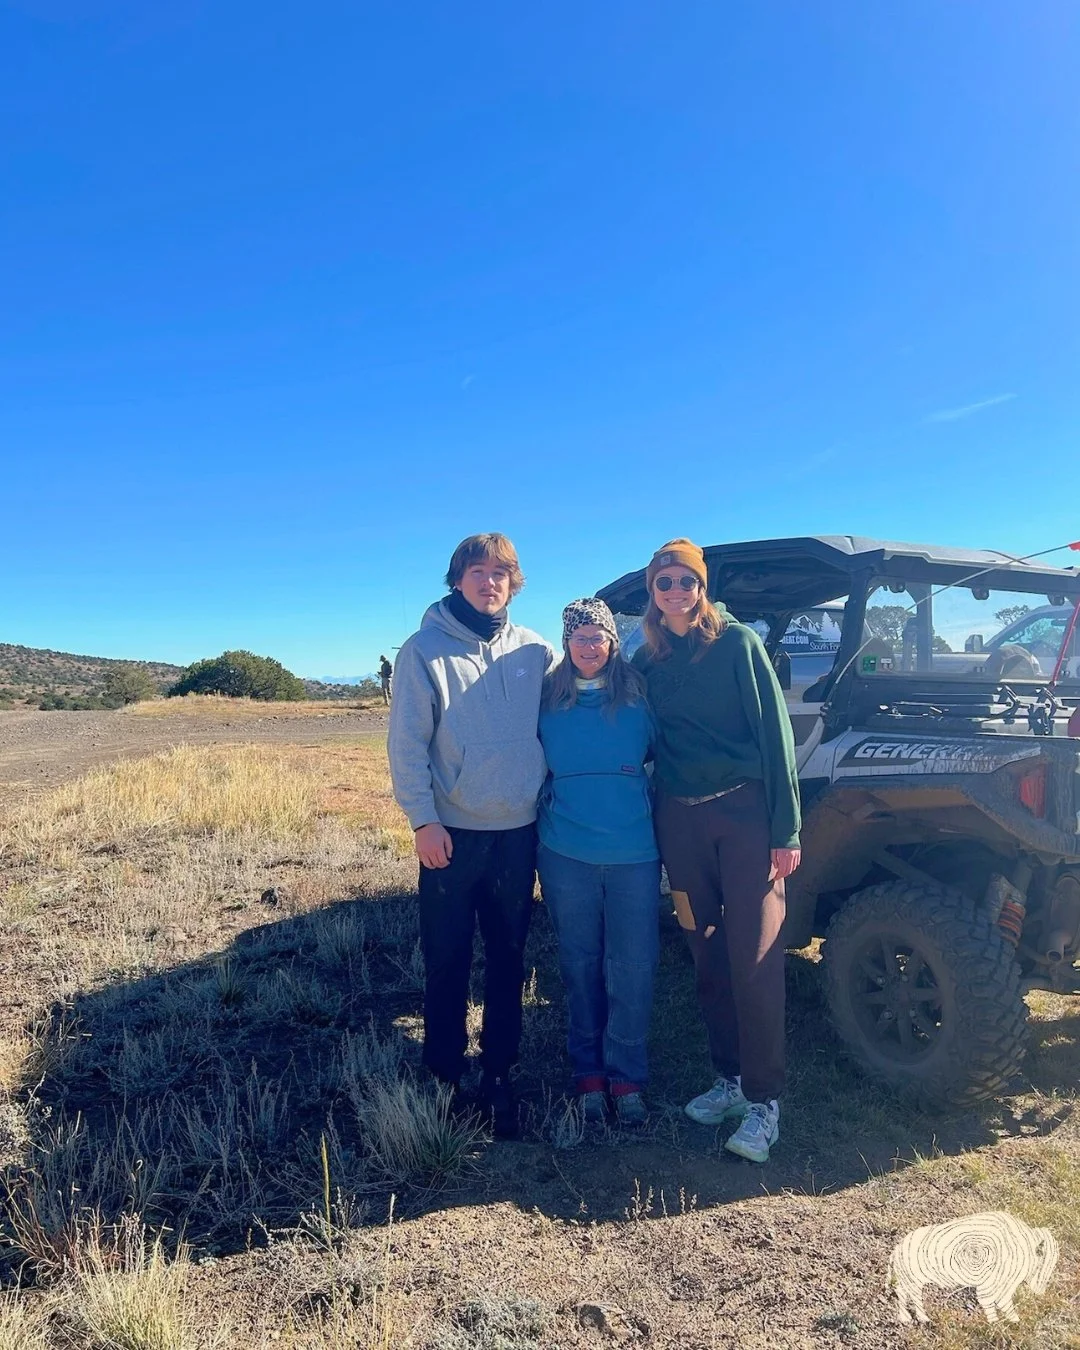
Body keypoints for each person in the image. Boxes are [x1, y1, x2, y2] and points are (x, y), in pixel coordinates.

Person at [632, 539, 800, 1164]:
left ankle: (764, 1101)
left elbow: (776, 738)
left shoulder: (738, 646)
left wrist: (786, 832)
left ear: (701, 587)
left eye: (685, 581)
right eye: (664, 583)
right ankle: (727, 1079)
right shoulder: (649, 660)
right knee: (705, 952)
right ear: (652, 593)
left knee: (752, 956)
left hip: (745, 818)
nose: (675, 592)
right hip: (681, 824)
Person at [388, 533, 553, 1137]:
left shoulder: (536, 651)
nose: (490, 582)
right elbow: (406, 743)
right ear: (457, 579)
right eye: (478, 571)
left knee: (510, 961)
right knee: (448, 960)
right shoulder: (423, 650)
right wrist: (423, 820)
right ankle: (444, 1075)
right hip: (451, 834)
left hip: (518, 832)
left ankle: (499, 1075)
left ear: (515, 582)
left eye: (501, 573)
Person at [537, 598, 660, 1128]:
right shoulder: (543, 701)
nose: (590, 645)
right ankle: (588, 1075)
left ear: (613, 642)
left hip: (634, 855)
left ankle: (627, 1077)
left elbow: (663, 759)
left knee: (632, 968)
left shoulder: (639, 698)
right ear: (566, 643)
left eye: (599, 636)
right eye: (580, 636)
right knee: (580, 966)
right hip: (566, 855)